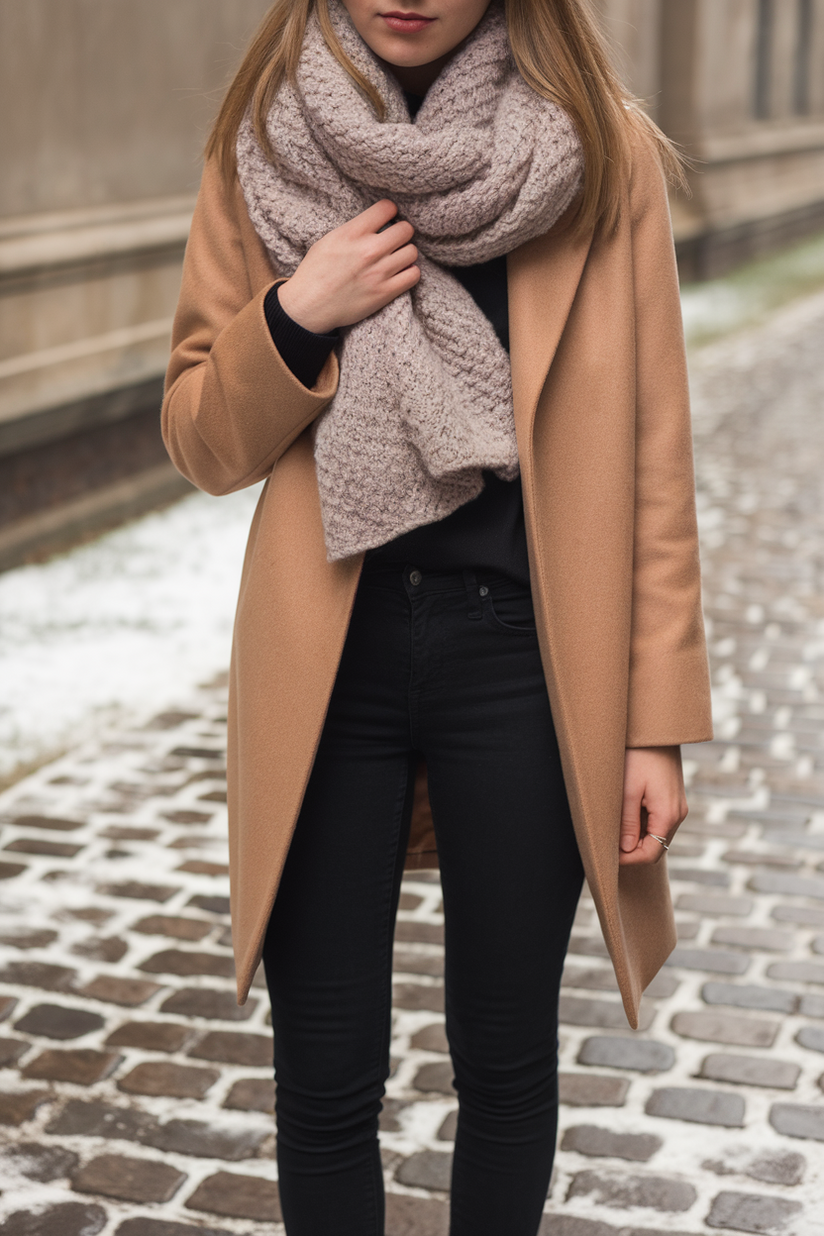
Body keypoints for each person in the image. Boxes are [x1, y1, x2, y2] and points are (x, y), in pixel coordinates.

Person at [162, 0, 712, 1231]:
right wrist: (301, 311)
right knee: (322, 1074)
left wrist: (654, 722)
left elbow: (652, 460)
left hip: (527, 661)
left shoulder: (594, 152)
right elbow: (200, 438)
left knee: (507, 1064)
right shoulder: (267, 136)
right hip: (327, 659)